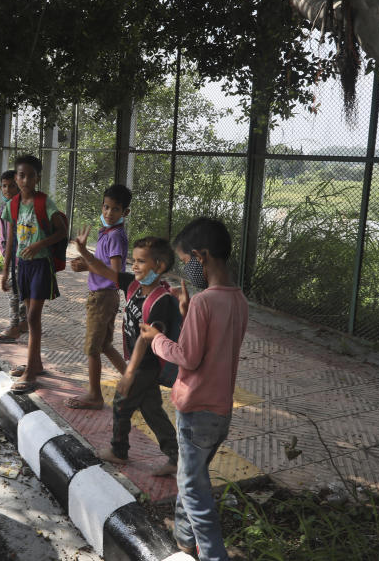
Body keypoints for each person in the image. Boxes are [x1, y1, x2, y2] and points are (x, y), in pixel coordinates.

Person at [138, 217, 248, 560]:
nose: (186, 270)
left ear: (201, 256)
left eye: (185, 262)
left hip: (197, 410)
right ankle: (185, 540)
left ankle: (214, 555)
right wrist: (187, 315)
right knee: (193, 476)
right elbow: (214, 346)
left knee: (192, 487)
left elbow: (188, 356)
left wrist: (157, 340)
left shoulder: (204, 302)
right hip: (220, 411)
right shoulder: (237, 299)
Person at [74, 230, 182, 477]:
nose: (135, 266)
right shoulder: (134, 285)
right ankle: (176, 457)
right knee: (152, 409)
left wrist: (129, 373)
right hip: (139, 362)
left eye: (141, 261)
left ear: (160, 266)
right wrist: (82, 251)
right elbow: (103, 270)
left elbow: (146, 338)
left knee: (122, 404)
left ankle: (119, 450)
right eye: (133, 261)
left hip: (146, 364)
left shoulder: (160, 300)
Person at [0, 155, 67, 393]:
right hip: (23, 267)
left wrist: (40, 245)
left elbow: (61, 231)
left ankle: (30, 372)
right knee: (29, 315)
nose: (25, 179)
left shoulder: (44, 203)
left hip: (41, 266)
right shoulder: (13, 205)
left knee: (32, 318)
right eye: (21, 175)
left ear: (38, 178)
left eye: (30, 175)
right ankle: (35, 364)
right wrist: (6, 270)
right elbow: (10, 242)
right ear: (15, 177)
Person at [66, 184, 131, 410]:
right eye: (106, 207)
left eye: (115, 209)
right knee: (104, 345)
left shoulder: (115, 236)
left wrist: (87, 264)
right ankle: (133, 382)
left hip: (103, 297)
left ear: (125, 212)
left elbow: (114, 274)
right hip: (105, 296)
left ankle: (95, 395)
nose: (108, 213)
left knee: (92, 348)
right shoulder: (109, 233)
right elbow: (102, 263)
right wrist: (85, 256)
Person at [0, 170, 28, 343]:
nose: (8, 189)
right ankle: (23, 323)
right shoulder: (7, 206)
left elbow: (12, 239)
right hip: (14, 256)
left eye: (12, 186)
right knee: (20, 292)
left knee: (14, 293)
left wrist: (5, 269)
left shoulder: (15, 207)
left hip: (16, 257)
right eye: (5, 186)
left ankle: (14, 325)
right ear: (0, 188)